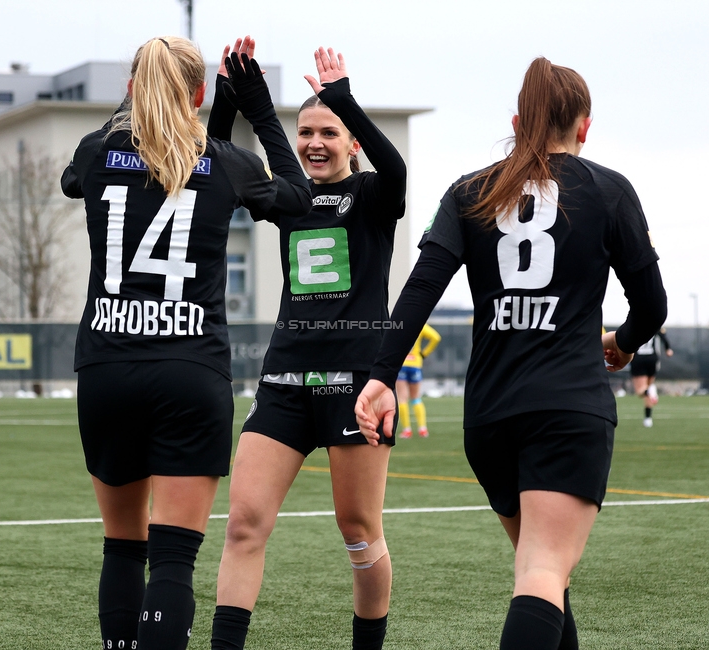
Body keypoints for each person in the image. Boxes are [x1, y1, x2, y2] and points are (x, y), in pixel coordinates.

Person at [356, 57, 667, 650]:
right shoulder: (607, 189)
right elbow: (652, 305)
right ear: (584, 128)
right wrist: (623, 344)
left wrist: (381, 375)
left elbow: (421, 286)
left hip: (491, 414)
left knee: (544, 575)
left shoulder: (470, 190)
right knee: (545, 572)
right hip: (567, 407)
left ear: (519, 120)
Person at [60, 36, 311, 650]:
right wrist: (258, 107)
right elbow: (301, 201)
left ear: (133, 87)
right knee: (173, 558)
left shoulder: (98, 152)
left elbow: (75, 178)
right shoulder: (226, 160)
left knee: (122, 544)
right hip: (190, 371)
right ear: (199, 94)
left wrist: (133, 102)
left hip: (107, 368)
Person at [208, 47, 406, 650]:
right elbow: (212, 161)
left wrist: (343, 96)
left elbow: (395, 168)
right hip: (285, 384)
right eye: (306, 133)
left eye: (329, 132)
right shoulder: (287, 196)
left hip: (355, 389)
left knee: (358, 530)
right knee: (243, 523)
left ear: (352, 144)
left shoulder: (373, 196)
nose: (315, 143)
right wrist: (226, 95)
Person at [396, 322, 441, 438]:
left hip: (401, 364)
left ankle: (406, 430)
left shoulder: (398, 323)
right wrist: (424, 354)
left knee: (402, 398)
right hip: (415, 364)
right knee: (416, 398)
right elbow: (436, 338)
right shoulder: (419, 324)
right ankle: (422, 429)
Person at [631, 327, 673, 427]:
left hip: (639, 359)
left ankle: (650, 391)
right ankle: (648, 419)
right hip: (652, 359)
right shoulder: (655, 323)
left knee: (641, 392)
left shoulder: (633, 323)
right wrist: (668, 349)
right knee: (648, 390)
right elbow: (664, 337)